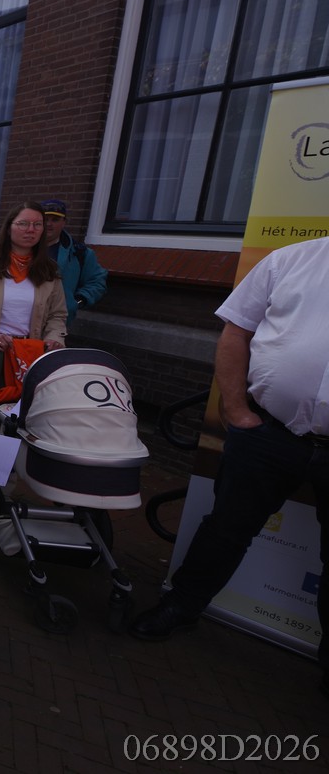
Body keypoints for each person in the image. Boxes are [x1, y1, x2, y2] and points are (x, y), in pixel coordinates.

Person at [130, 236, 329, 700]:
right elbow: (236, 332)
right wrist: (237, 411)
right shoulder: (289, 260)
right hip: (270, 434)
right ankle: (181, 606)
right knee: (226, 529)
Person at [0, 201, 67, 368]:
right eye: (23, 223)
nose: (31, 229)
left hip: (32, 355)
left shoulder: (49, 272)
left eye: (37, 224)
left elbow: (57, 315)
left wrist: (54, 338)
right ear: (9, 228)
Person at [40, 199, 107, 327]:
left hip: (57, 323)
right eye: (45, 219)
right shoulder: (23, 248)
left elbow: (96, 282)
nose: (49, 224)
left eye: (55, 220)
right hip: (21, 321)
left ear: (64, 222)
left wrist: (76, 302)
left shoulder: (80, 253)